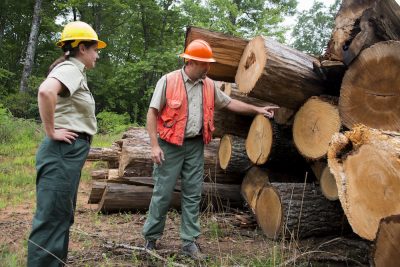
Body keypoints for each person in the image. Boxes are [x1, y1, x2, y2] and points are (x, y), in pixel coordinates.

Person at [142, 39, 279, 259]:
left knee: (193, 194)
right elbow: (152, 113)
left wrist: (257, 109)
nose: (208, 67)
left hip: (195, 146)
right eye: (205, 63)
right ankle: (150, 239)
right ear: (192, 61)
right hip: (169, 146)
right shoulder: (168, 81)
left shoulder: (209, 85)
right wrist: (154, 146)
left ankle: (189, 242)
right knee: (162, 193)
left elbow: (230, 103)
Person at [27, 21, 106, 267]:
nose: (97, 54)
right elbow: (45, 92)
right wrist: (51, 131)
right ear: (82, 48)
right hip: (62, 152)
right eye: (95, 49)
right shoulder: (70, 68)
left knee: (61, 215)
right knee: (52, 218)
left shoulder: (74, 70)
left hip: (68, 154)